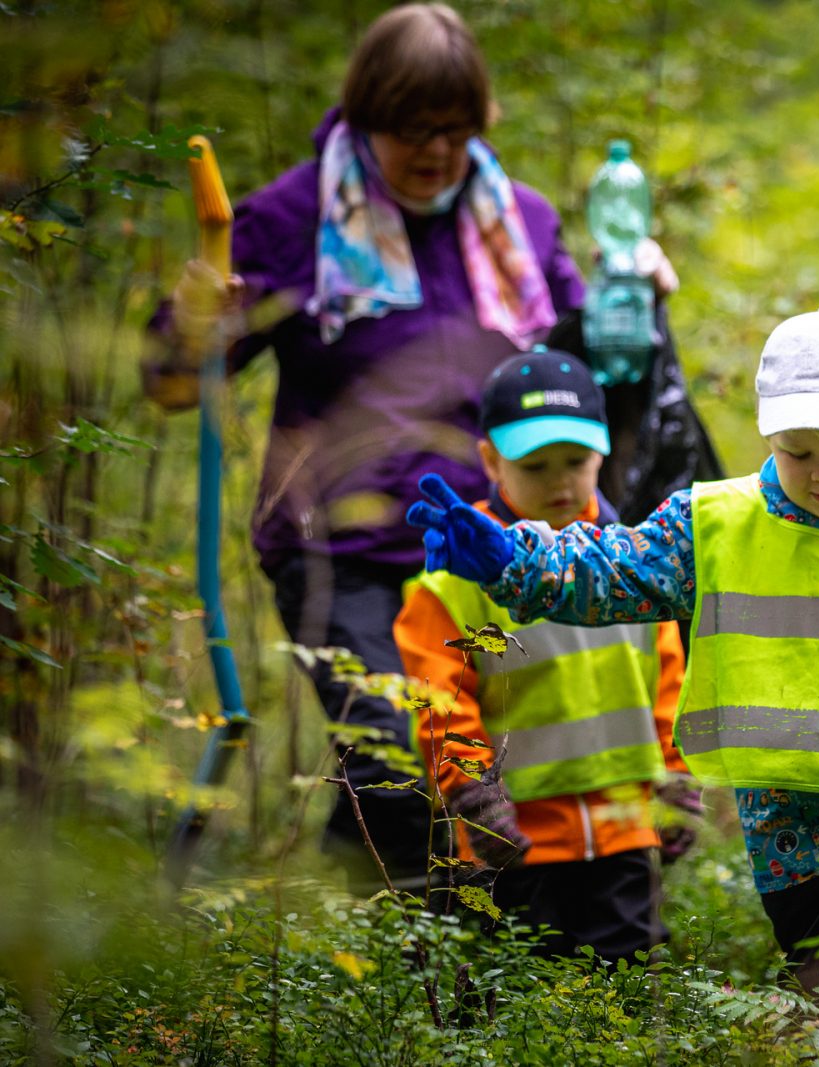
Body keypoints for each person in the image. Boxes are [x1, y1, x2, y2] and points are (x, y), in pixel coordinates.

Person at [139, 3, 698, 886]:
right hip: (343, 548)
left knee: (485, 758)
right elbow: (172, 383)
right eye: (411, 130)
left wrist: (635, 304)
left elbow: (575, 373)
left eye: (455, 128)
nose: (435, 151)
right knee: (395, 755)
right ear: (366, 118)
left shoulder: (523, 222)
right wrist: (192, 317)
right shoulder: (292, 218)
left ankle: (362, 924)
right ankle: (414, 970)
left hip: (489, 551)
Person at [405, 308, 819, 986]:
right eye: (799, 453)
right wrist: (513, 560)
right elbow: (612, 569)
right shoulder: (711, 525)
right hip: (795, 840)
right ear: (769, 433)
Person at [393, 348, 697, 961]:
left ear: (604, 452)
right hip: (512, 844)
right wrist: (475, 797)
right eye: (536, 466)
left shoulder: (635, 563)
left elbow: (669, 685)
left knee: (626, 992)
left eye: (576, 462)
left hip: (623, 836)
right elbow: (440, 707)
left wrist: (677, 778)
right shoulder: (454, 579)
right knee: (507, 1005)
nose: (560, 482)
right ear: (490, 460)